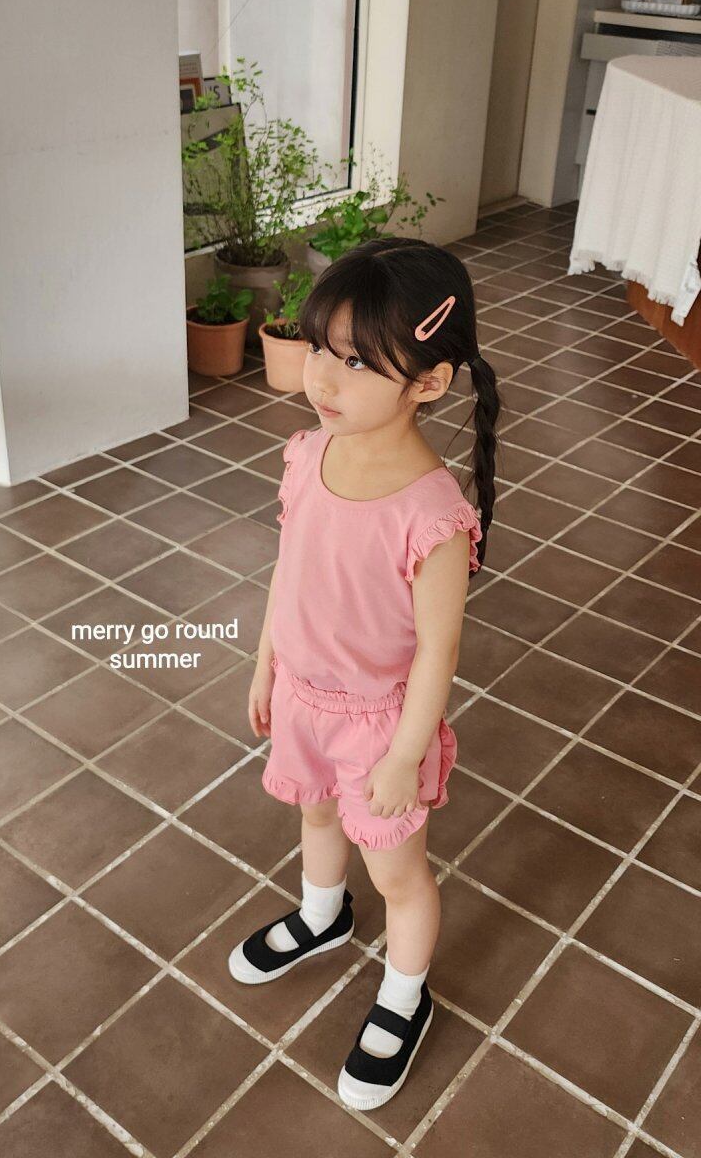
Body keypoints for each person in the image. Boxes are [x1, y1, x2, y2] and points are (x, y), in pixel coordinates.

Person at [227, 236, 500, 1111]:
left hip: (379, 725)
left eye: (353, 362)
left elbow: (439, 653)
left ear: (428, 383)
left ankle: (405, 995)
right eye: (319, 348)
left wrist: (404, 755)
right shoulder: (309, 454)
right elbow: (289, 569)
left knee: (397, 873)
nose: (322, 377)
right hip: (303, 697)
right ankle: (322, 914)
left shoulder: (432, 515)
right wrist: (266, 664)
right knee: (314, 812)